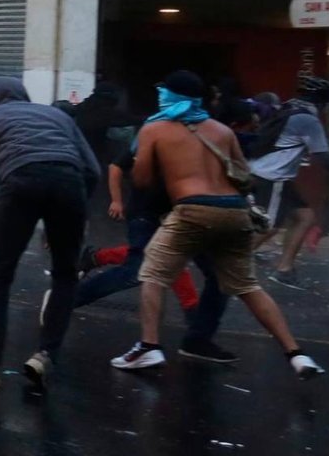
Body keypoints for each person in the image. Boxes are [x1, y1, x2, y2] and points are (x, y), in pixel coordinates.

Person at [112, 70, 324, 378]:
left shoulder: (154, 129)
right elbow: (243, 175)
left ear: (171, 97)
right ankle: (297, 354)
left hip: (192, 210)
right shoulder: (221, 131)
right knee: (246, 285)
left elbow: (142, 180)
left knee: (153, 274)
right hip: (234, 212)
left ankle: (148, 347)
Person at [0, 77, 98, 391]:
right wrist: (71, 212)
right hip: (69, 184)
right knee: (65, 274)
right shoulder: (58, 116)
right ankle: (46, 355)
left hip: (20, 182)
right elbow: (92, 171)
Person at [75, 146, 235, 364]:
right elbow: (119, 167)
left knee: (177, 264)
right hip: (152, 213)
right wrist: (117, 200)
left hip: (180, 213)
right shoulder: (154, 132)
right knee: (143, 266)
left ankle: (192, 333)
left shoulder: (201, 136)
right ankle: (70, 296)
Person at [246, 77, 329, 289]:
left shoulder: (289, 108)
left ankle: (284, 270)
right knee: (268, 227)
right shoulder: (308, 120)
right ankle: (231, 263)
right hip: (273, 176)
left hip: (267, 173)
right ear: (322, 101)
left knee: (305, 216)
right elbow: (322, 156)